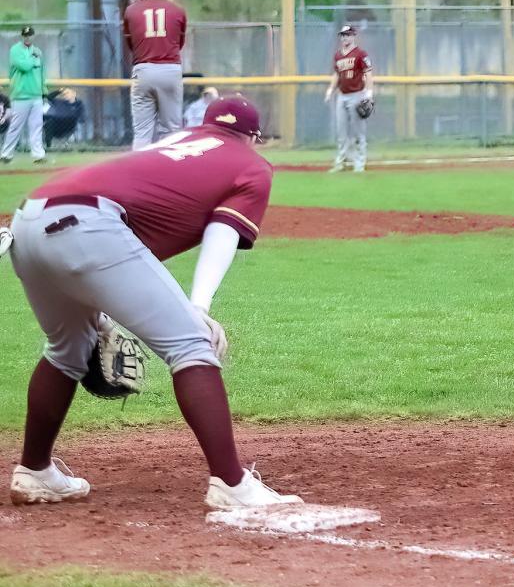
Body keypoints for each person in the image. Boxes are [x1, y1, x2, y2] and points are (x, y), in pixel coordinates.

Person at [6, 96, 303, 509]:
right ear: (253, 137)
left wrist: (97, 307)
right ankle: (232, 484)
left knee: (66, 349)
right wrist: (199, 308)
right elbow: (223, 231)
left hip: (26, 220)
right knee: (191, 345)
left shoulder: (174, 141)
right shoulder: (251, 164)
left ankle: (35, 471)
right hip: (90, 225)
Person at [123, 0, 187, 148]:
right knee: (172, 130)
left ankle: (140, 166)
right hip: (170, 69)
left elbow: (131, 45)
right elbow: (179, 44)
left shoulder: (131, 10)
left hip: (143, 68)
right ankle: (169, 164)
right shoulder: (178, 10)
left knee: (142, 131)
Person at [324, 25, 373, 172]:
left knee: (358, 132)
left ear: (353, 36)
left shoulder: (361, 54)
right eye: (343, 35)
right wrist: (330, 90)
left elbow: (368, 73)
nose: (344, 38)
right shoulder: (338, 55)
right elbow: (337, 74)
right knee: (341, 132)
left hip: (357, 95)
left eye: (347, 35)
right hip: (342, 95)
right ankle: (341, 162)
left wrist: (369, 92)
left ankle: (359, 163)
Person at [2, 26, 48, 164]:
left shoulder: (38, 51)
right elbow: (24, 66)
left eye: (30, 35)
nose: (27, 38)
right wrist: (33, 59)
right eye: (25, 35)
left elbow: (42, 73)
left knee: (36, 126)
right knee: (16, 126)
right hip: (20, 95)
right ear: (22, 36)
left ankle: (38, 155)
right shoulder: (15, 50)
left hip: (36, 94)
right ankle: (6, 154)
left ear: (33, 36)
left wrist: (44, 91)